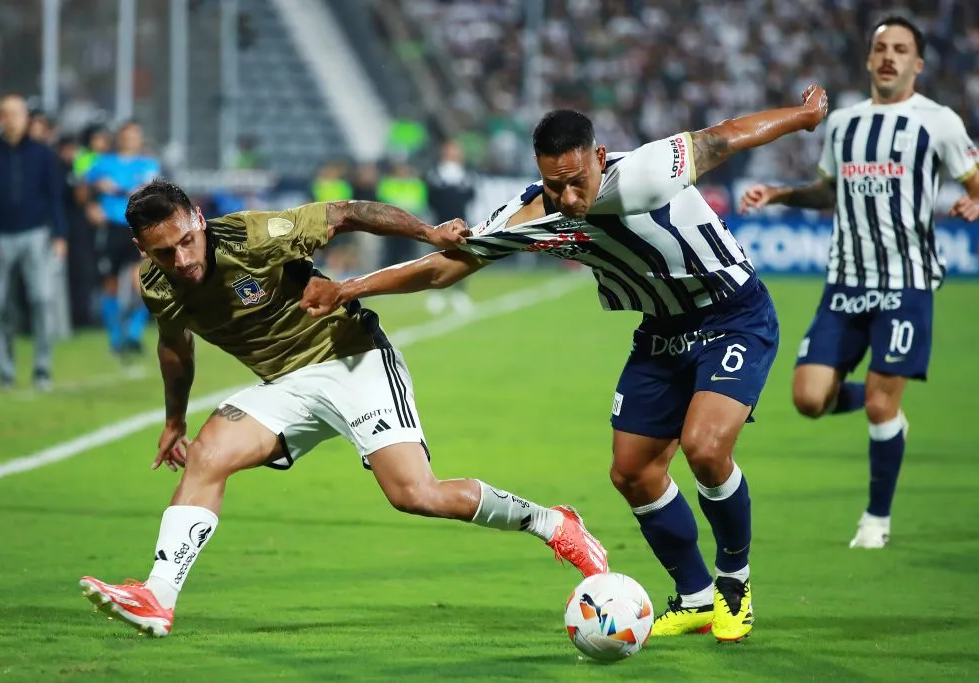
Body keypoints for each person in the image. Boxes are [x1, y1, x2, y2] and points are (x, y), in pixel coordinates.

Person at [300, 86, 830, 643]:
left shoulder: (645, 173)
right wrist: (348, 289)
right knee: (632, 472)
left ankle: (734, 585)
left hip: (732, 312)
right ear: (539, 172)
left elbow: (719, 139)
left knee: (704, 447)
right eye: (557, 184)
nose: (570, 195)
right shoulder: (531, 213)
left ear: (599, 158)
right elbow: (443, 268)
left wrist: (801, 116)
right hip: (661, 330)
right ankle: (695, 595)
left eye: (580, 180)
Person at [78, 180, 609, 637]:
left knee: (415, 494)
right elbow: (175, 346)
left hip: (353, 360)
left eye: (186, 242)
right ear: (141, 249)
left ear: (198, 218)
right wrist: (175, 421)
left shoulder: (253, 235)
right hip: (285, 386)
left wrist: (430, 233)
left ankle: (554, 523)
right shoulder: (157, 284)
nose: (182, 260)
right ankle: (158, 597)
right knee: (208, 454)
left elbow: (348, 213)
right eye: (164, 253)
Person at [739, 17, 979, 550]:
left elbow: (975, 181)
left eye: (901, 49)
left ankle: (876, 518)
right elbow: (828, 192)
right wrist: (780, 193)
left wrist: (976, 200)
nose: (889, 56)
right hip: (845, 283)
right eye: (881, 48)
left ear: (918, 64)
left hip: (905, 282)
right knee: (808, 397)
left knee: (876, 403)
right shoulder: (845, 123)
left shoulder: (939, 123)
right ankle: (888, 412)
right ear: (870, 60)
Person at [0, 94, 67, 390]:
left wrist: (59, 235)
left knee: (41, 300)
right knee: (1, 306)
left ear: (27, 117)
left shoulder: (41, 153)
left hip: (36, 235)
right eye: (6, 113)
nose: (12, 119)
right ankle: (6, 371)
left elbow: (54, 197)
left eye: (17, 113)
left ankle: (42, 369)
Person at [86, 120, 161, 357]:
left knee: (139, 281)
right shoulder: (103, 163)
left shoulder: (147, 164)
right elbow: (83, 188)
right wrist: (91, 205)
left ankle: (134, 333)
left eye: (134, 135)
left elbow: (148, 189)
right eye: (126, 135)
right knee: (110, 283)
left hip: (136, 227)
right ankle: (116, 338)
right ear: (119, 137)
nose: (130, 139)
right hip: (110, 228)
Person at [424, 140, 477, 315]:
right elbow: (431, 196)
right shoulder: (436, 173)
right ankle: (436, 293)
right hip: (440, 222)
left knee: (462, 256)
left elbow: (471, 196)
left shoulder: (466, 174)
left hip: (461, 223)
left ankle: (459, 293)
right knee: (438, 256)